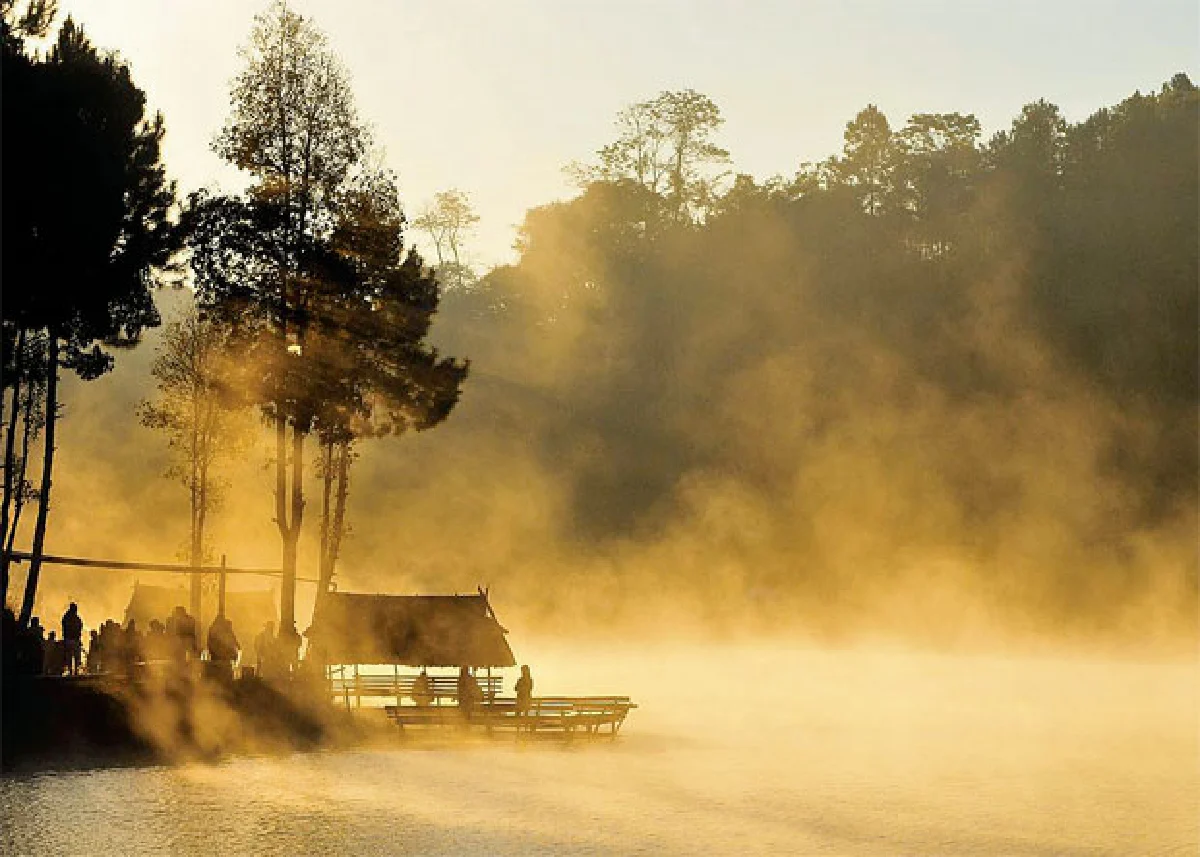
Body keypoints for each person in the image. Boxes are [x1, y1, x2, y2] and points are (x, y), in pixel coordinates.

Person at [61, 602, 84, 675]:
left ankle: (73, 671)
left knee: (72, 656)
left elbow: (79, 628)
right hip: (72, 639)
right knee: (72, 656)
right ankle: (73, 671)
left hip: (71, 639)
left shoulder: (67, 617)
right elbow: (79, 628)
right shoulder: (73, 618)